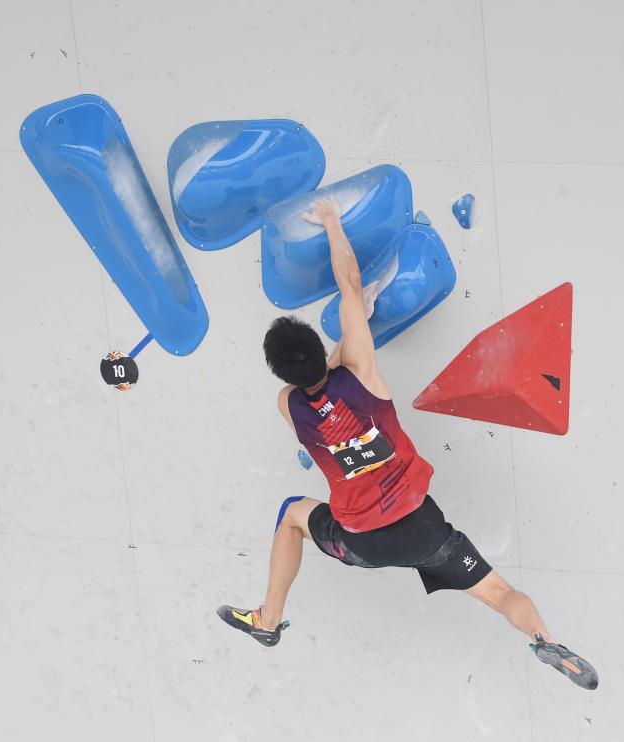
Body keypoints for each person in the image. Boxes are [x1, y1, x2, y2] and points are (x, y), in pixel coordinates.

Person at [217, 196, 597, 690]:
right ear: (318, 347)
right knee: (498, 591)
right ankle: (544, 638)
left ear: (282, 373)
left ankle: (268, 621)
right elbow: (349, 284)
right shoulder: (363, 375)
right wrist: (332, 222)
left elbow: (317, 381)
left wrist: (338, 349)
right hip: (423, 529)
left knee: (293, 513)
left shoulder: (288, 404)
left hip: (360, 543)